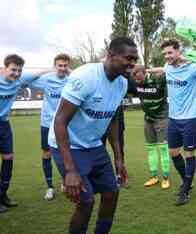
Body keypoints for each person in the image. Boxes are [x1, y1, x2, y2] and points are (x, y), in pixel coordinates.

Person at [48, 37, 138, 234]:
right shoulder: (86, 77)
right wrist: (70, 170)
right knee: (86, 202)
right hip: (68, 145)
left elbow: (113, 119)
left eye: (135, 59)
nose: (132, 63)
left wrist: (119, 158)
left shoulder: (122, 83)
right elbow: (60, 121)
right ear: (111, 56)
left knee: (111, 194)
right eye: (128, 58)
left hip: (93, 145)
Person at [149, 39, 196, 205]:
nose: (167, 56)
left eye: (170, 53)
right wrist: (144, 69)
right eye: (165, 54)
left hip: (189, 118)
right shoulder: (168, 67)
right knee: (174, 153)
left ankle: (185, 189)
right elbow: (161, 69)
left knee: (189, 153)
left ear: (178, 51)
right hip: (173, 119)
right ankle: (187, 181)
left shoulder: (193, 67)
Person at [0, 54, 50, 213]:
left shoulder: (20, 79)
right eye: (13, 70)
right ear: (4, 68)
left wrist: (55, 68)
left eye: (19, 71)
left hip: (4, 123)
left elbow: (39, 73)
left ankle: (2, 195)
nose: (16, 73)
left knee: (8, 158)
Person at [30, 53, 71, 200]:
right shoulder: (47, 80)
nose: (62, 68)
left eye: (65, 65)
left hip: (66, 123)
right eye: (59, 65)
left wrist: (71, 72)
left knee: (66, 152)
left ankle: (65, 182)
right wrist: (47, 70)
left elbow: (84, 81)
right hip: (47, 123)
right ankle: (50, 187)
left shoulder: (71, 80)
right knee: (46, 154)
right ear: (55, 66)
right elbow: (27, 80)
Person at [129, 64, 170, 189]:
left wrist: (150, 70)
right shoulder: (134, 81)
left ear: (144, 73)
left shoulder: (158, 79)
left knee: (163, 148)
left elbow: (168, 69)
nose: (137, 82)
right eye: (135, 80)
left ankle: (165, 178)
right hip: (148, 119)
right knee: (150, 148)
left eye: (139, 79)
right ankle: (153, 177)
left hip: (162, 117)